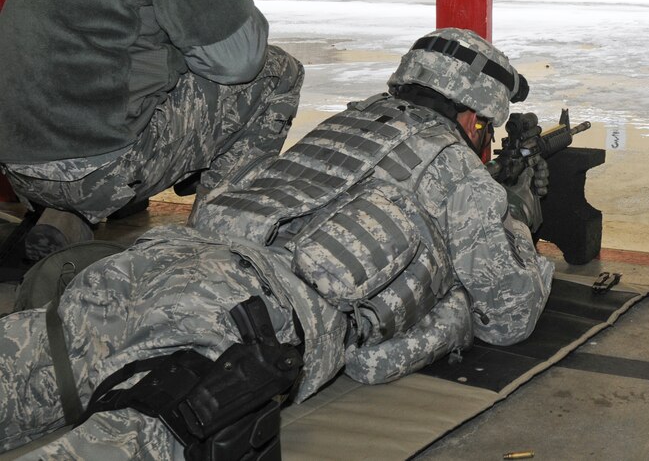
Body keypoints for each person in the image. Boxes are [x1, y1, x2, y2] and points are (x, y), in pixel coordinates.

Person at [0, 28, 554, 459]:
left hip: (147, 268)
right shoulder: (461, 174)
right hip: (230, 327)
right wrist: (519, 222)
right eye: (485, 128)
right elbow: (508, 317)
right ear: (471, 119)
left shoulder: (347, 124)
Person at [0, 0, 303, 260]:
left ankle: (64, 217)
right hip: (91, 167)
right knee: (277, 72)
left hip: (20, 163)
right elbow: (239, 57)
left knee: (156, 68)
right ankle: (222, 247)